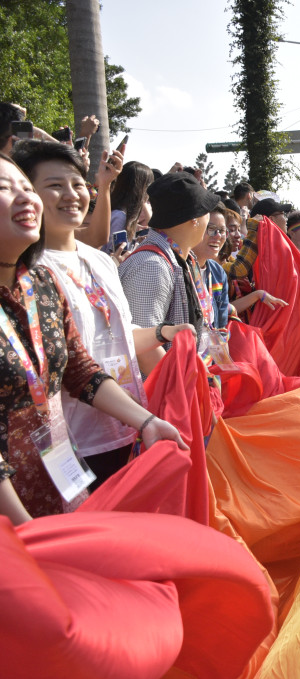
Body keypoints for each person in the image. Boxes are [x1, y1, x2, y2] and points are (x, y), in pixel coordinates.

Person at [0, 152, 185, 522]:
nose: (24, 198)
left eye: (24, 187)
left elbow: (80, 369)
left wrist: (145, 421)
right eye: (6, 188)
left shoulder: (39, 285)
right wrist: (26, 534)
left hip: (60, 476)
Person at [119, 172, 223, 355]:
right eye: (206, 211)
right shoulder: (151, 266)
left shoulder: (184, 258)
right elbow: (144, 347)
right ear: (194, 220)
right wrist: (180, 384)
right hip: (165, 382)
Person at [193, 205, 232, 330]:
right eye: (211, 229)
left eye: (222, 230)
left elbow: (221, 324)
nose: (218, 236)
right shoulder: (179, 269)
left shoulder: (218, 273)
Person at [105, 161, 153, 255]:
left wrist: (136, 241)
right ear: (140, 189)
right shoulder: (120, 217)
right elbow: (116, 254)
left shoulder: (120, 214)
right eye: (148, 186)